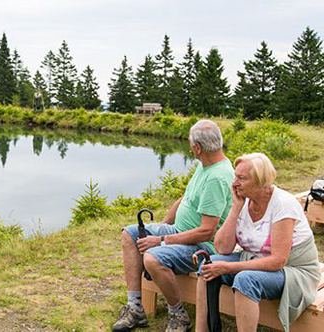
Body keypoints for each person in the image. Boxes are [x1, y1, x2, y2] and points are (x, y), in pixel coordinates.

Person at [112, 120, 234, 332]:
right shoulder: (206, 164)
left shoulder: (217, 177)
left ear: (198, 148)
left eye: (190, 143)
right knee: (129, 234)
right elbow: (186, 198)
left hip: (204, 246)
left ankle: (178, 315)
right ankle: (135, 308)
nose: (189, 147)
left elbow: (207, 231)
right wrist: (163, 226)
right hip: (180, 232)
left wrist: (160, 240)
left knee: (153, 258)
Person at [195, 153, 321, 332]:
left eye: (242, 178)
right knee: (208, 265)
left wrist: (228, 268)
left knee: (245, 280)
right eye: (235, 177)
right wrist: (236, 208)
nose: (235, 183)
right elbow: (222, 248)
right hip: (255, 259)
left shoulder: (283, 204)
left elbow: (278, 261)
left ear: (260, 182)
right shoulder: (244, 201)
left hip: (294, 271)